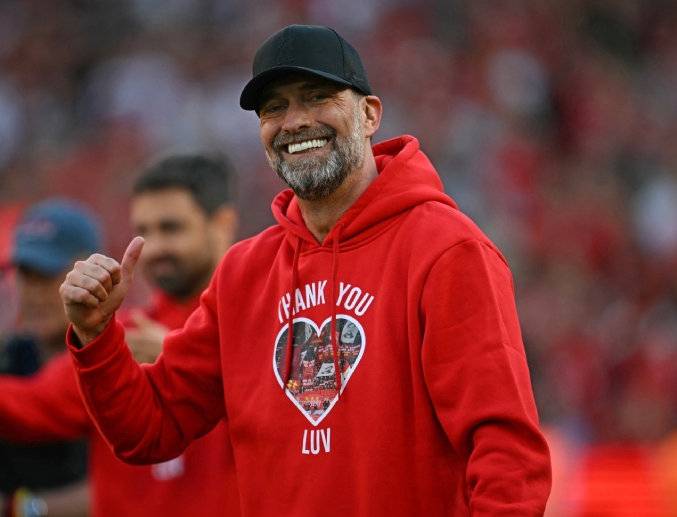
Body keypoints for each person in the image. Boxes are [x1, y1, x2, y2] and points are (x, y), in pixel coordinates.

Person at [60, 25, 553, 516]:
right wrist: (97, 335)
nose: (294, 121)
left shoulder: (446, 248)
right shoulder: (243, 273)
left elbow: (507, 455)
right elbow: (152, 428)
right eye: (274, 108)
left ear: (369, 114)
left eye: (317, 97)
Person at [0, 154, 241, 516]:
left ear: (222, 224)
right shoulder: (119, 337)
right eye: (144, 231)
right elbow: (31, 405)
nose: (154, 248)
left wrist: (190, 363)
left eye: (171, 229)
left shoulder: (263, 322)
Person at [0, 199, 99, 517]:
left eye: (46, 276)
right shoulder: (9, 356)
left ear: (92, 272)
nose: (33, 293)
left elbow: (127, 489)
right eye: (25, 276)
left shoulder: (114, 361)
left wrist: (17, 509)